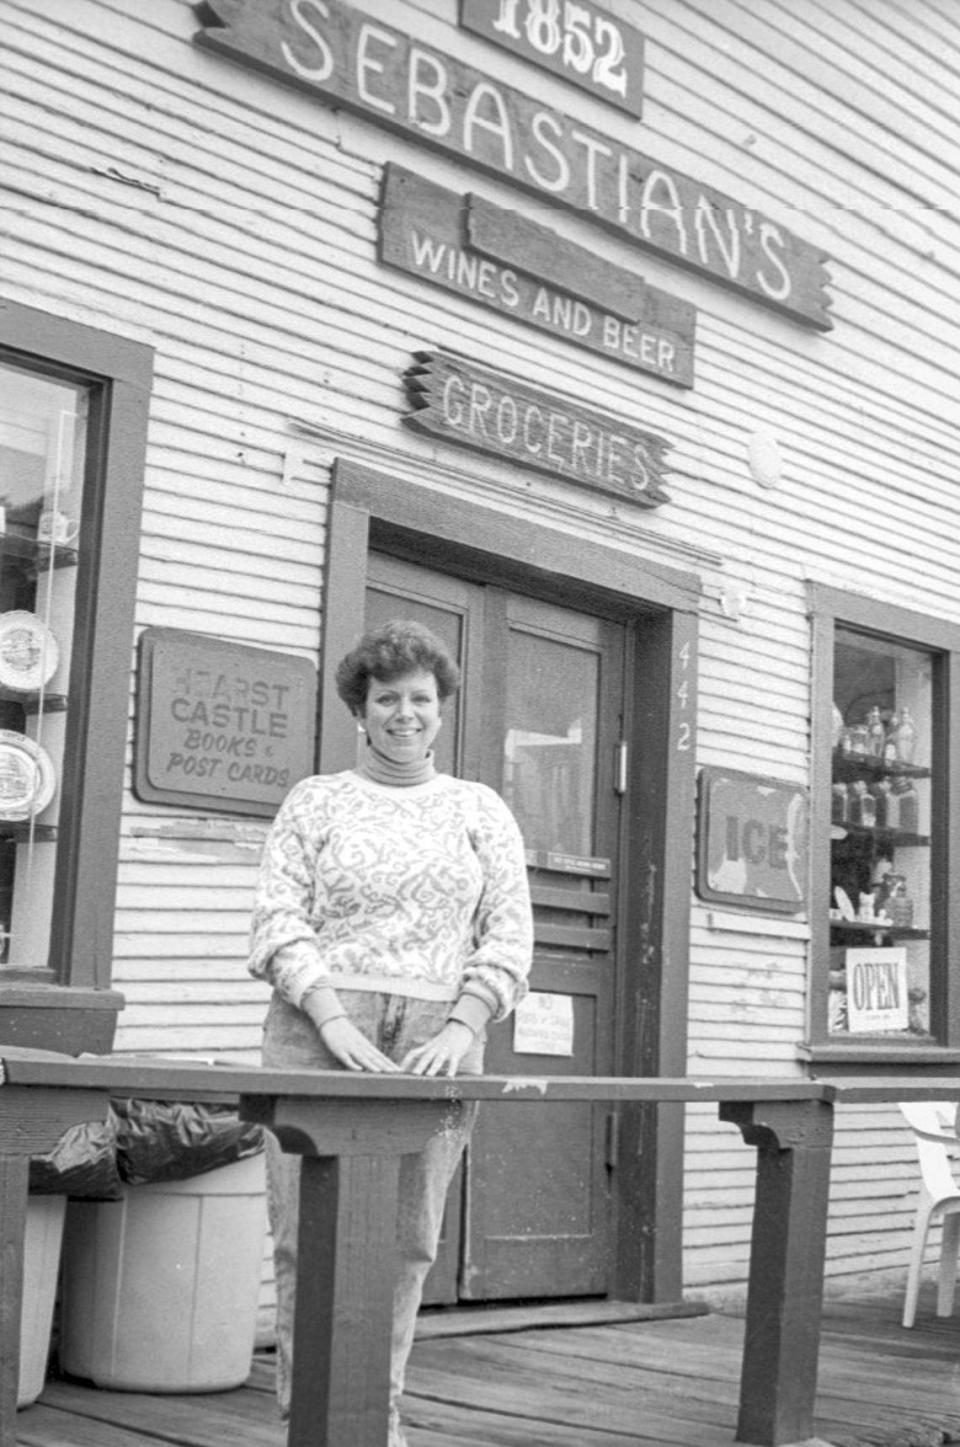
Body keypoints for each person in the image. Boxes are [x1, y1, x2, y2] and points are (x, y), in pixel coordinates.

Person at [248, 618, 533, 1447]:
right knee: (309, 1238)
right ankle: (308, 1422)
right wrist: (330, 1015)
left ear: (441, 708)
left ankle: (380, 1419)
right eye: (386, 699)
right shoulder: (318, 800)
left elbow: (509, 931)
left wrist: (464, 1020)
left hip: (437, 1037)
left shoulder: (478, 809)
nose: (403, 714)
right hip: (317, 1029)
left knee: (408, 1238)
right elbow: (277, 920)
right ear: (359, 709)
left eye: (420, 698)